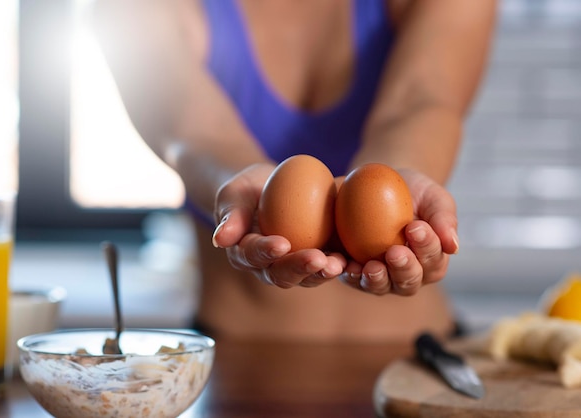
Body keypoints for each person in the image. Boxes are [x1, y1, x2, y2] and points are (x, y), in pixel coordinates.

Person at [91, 0, 497, 342]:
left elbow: (420, 101)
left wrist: (394, 184)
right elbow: (194, 133)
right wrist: (245, 190)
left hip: (414, 361)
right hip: (239, 369)